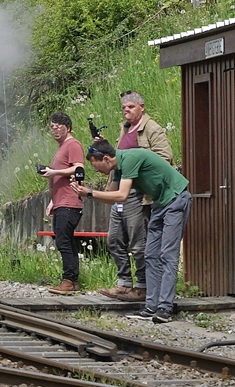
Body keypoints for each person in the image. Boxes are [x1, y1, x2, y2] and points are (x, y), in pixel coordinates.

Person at [75, 137, 191, 323]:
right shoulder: (118, 168)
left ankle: (165, 308)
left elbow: (122, 195)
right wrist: (86, 192)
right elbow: (112, 197)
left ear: (106, 159)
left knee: (167, 254)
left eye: (95, 165)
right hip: (159, 203)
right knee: (150, 254)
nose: (95, 170)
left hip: (176, 198)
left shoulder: (129, 159)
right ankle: (151, 306)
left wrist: (89, 192)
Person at [99, 91, 174, 303]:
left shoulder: (152, 128)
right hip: (120, 190)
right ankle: (123, 282)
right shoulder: (124, 129)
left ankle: (143, 286)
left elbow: (165, 157)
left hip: (138, 193)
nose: (126, 111)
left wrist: (139, 172)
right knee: (114, 238)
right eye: (124, 108)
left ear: (142, 107)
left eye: (131, 107)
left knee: (138, 242)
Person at [37, 112, 86, 294]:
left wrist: (54, 172)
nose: (55, 130)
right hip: (61, 201)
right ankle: (71, 280)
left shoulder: (72, 144)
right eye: (52, 126)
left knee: (64, 240)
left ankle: (69, 280)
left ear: (68, 128)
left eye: (59, 126)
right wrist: (53, 201)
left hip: (69, 202)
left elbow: (79, 168)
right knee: (65, 240)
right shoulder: (62, 147)